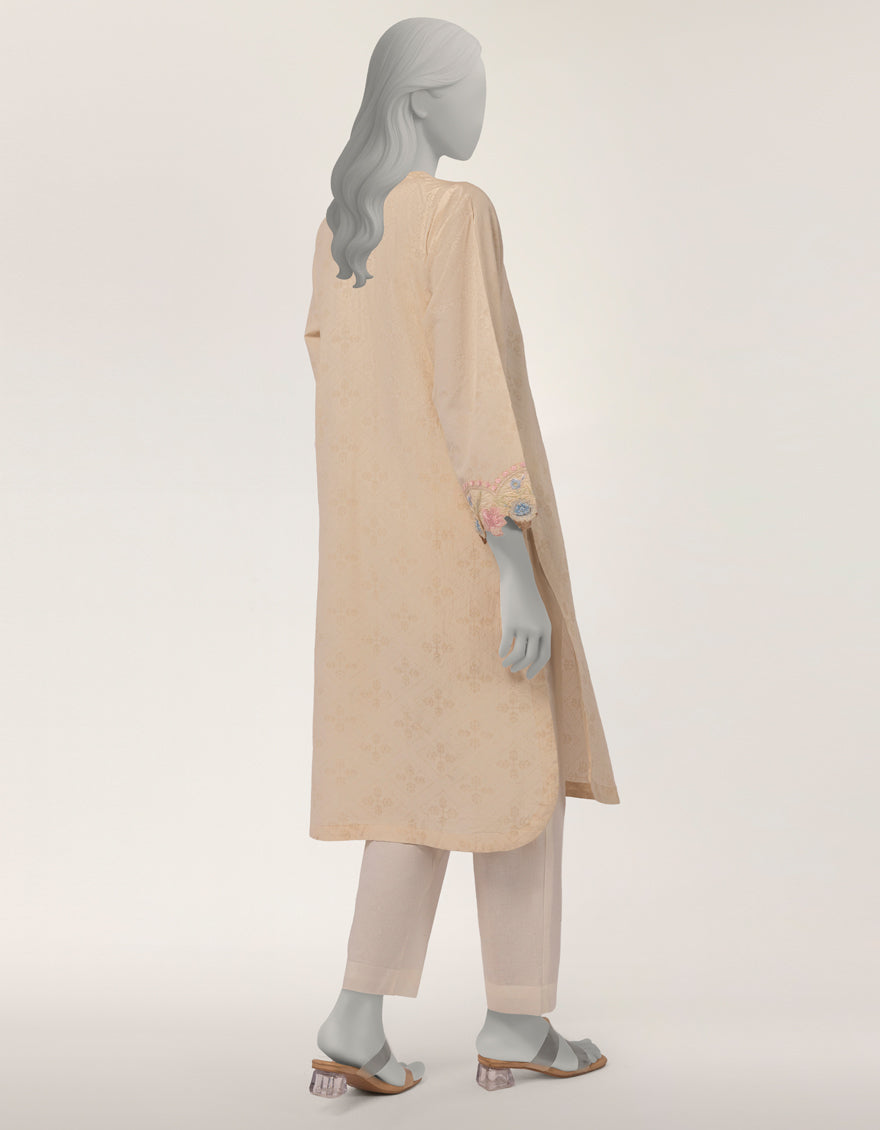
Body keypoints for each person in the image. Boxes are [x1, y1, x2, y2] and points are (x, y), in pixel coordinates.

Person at [304, 17, 620, 1097]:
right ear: (419, 100)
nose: (484, 106)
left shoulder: (340, 229)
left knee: (419, 778)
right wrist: (513, 564)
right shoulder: (455, 212)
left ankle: (357, 1017)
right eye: (471, 86)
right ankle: (518, 1018)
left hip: (371, 562)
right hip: (466, 549)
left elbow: (344, 398)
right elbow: (472, 392)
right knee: (517, 771)